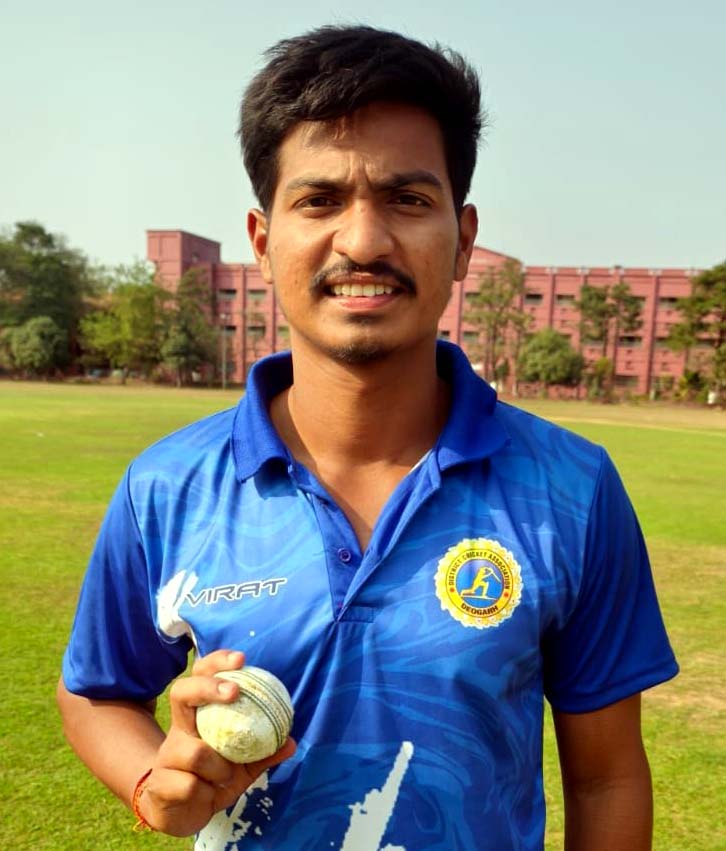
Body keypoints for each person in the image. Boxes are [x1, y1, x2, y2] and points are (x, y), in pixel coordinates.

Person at [57, 25, 678, 851]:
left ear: (463, 240)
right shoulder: (168, 486)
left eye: (407, 200)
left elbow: (606, 776)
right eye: (319, 200)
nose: (363, 242)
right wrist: (151, 779)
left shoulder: (571, 487)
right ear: (262, 240)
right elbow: (95, 689)